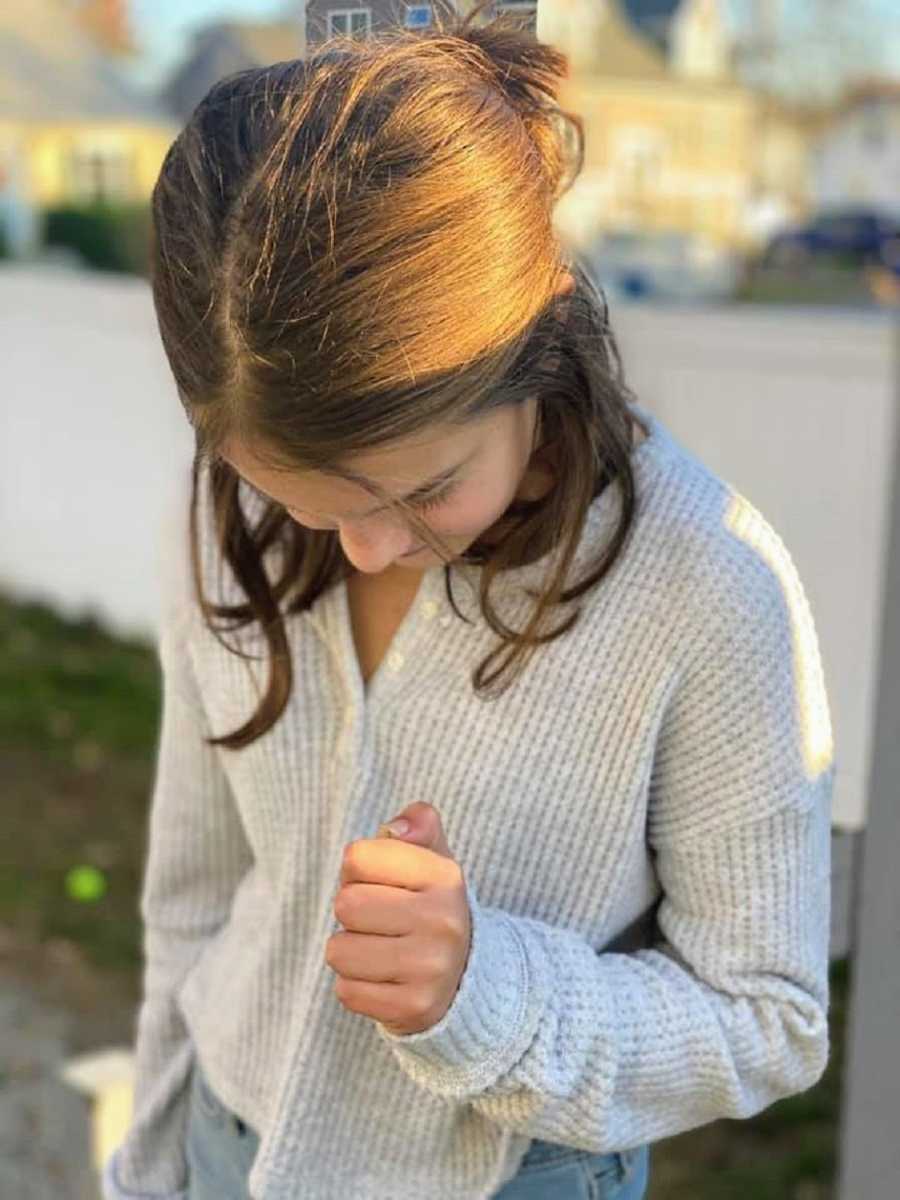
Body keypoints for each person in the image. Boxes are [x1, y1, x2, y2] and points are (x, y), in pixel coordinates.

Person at [102, 4, 836, 1198]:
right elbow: (190, 905)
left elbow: (769, 1016)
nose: (369, 546)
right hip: (217, 1149)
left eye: (426, 486)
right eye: (298, 497)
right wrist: (146, 1168)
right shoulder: (221, 523)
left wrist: (482, 991)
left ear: (540, 347)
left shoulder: (708, 583)